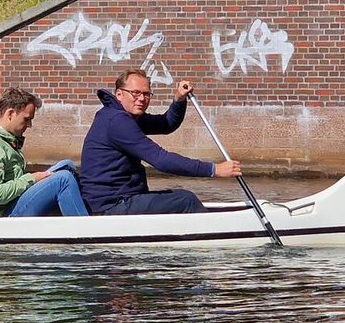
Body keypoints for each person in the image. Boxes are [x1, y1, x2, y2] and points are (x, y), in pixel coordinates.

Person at [80, 70, 242, 215]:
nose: (142, 99)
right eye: (135, 93)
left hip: (123, 199)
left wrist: (179, 100)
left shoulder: (122, 116)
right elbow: (161, 160)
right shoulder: (117, 121)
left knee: (180, 198)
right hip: (110, 206)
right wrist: (213, 170)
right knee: (185, 200)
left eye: (146, 94)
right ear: (119, 94)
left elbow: (166, 124)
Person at [0, 87, 88, 218]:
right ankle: (87, 232)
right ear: (10, 114)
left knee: (66, 165)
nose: (29, 125)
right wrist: (32, 179)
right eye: (26, 119)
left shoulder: (4, 141)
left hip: (10, 205)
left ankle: (80, 213)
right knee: (63, 179)